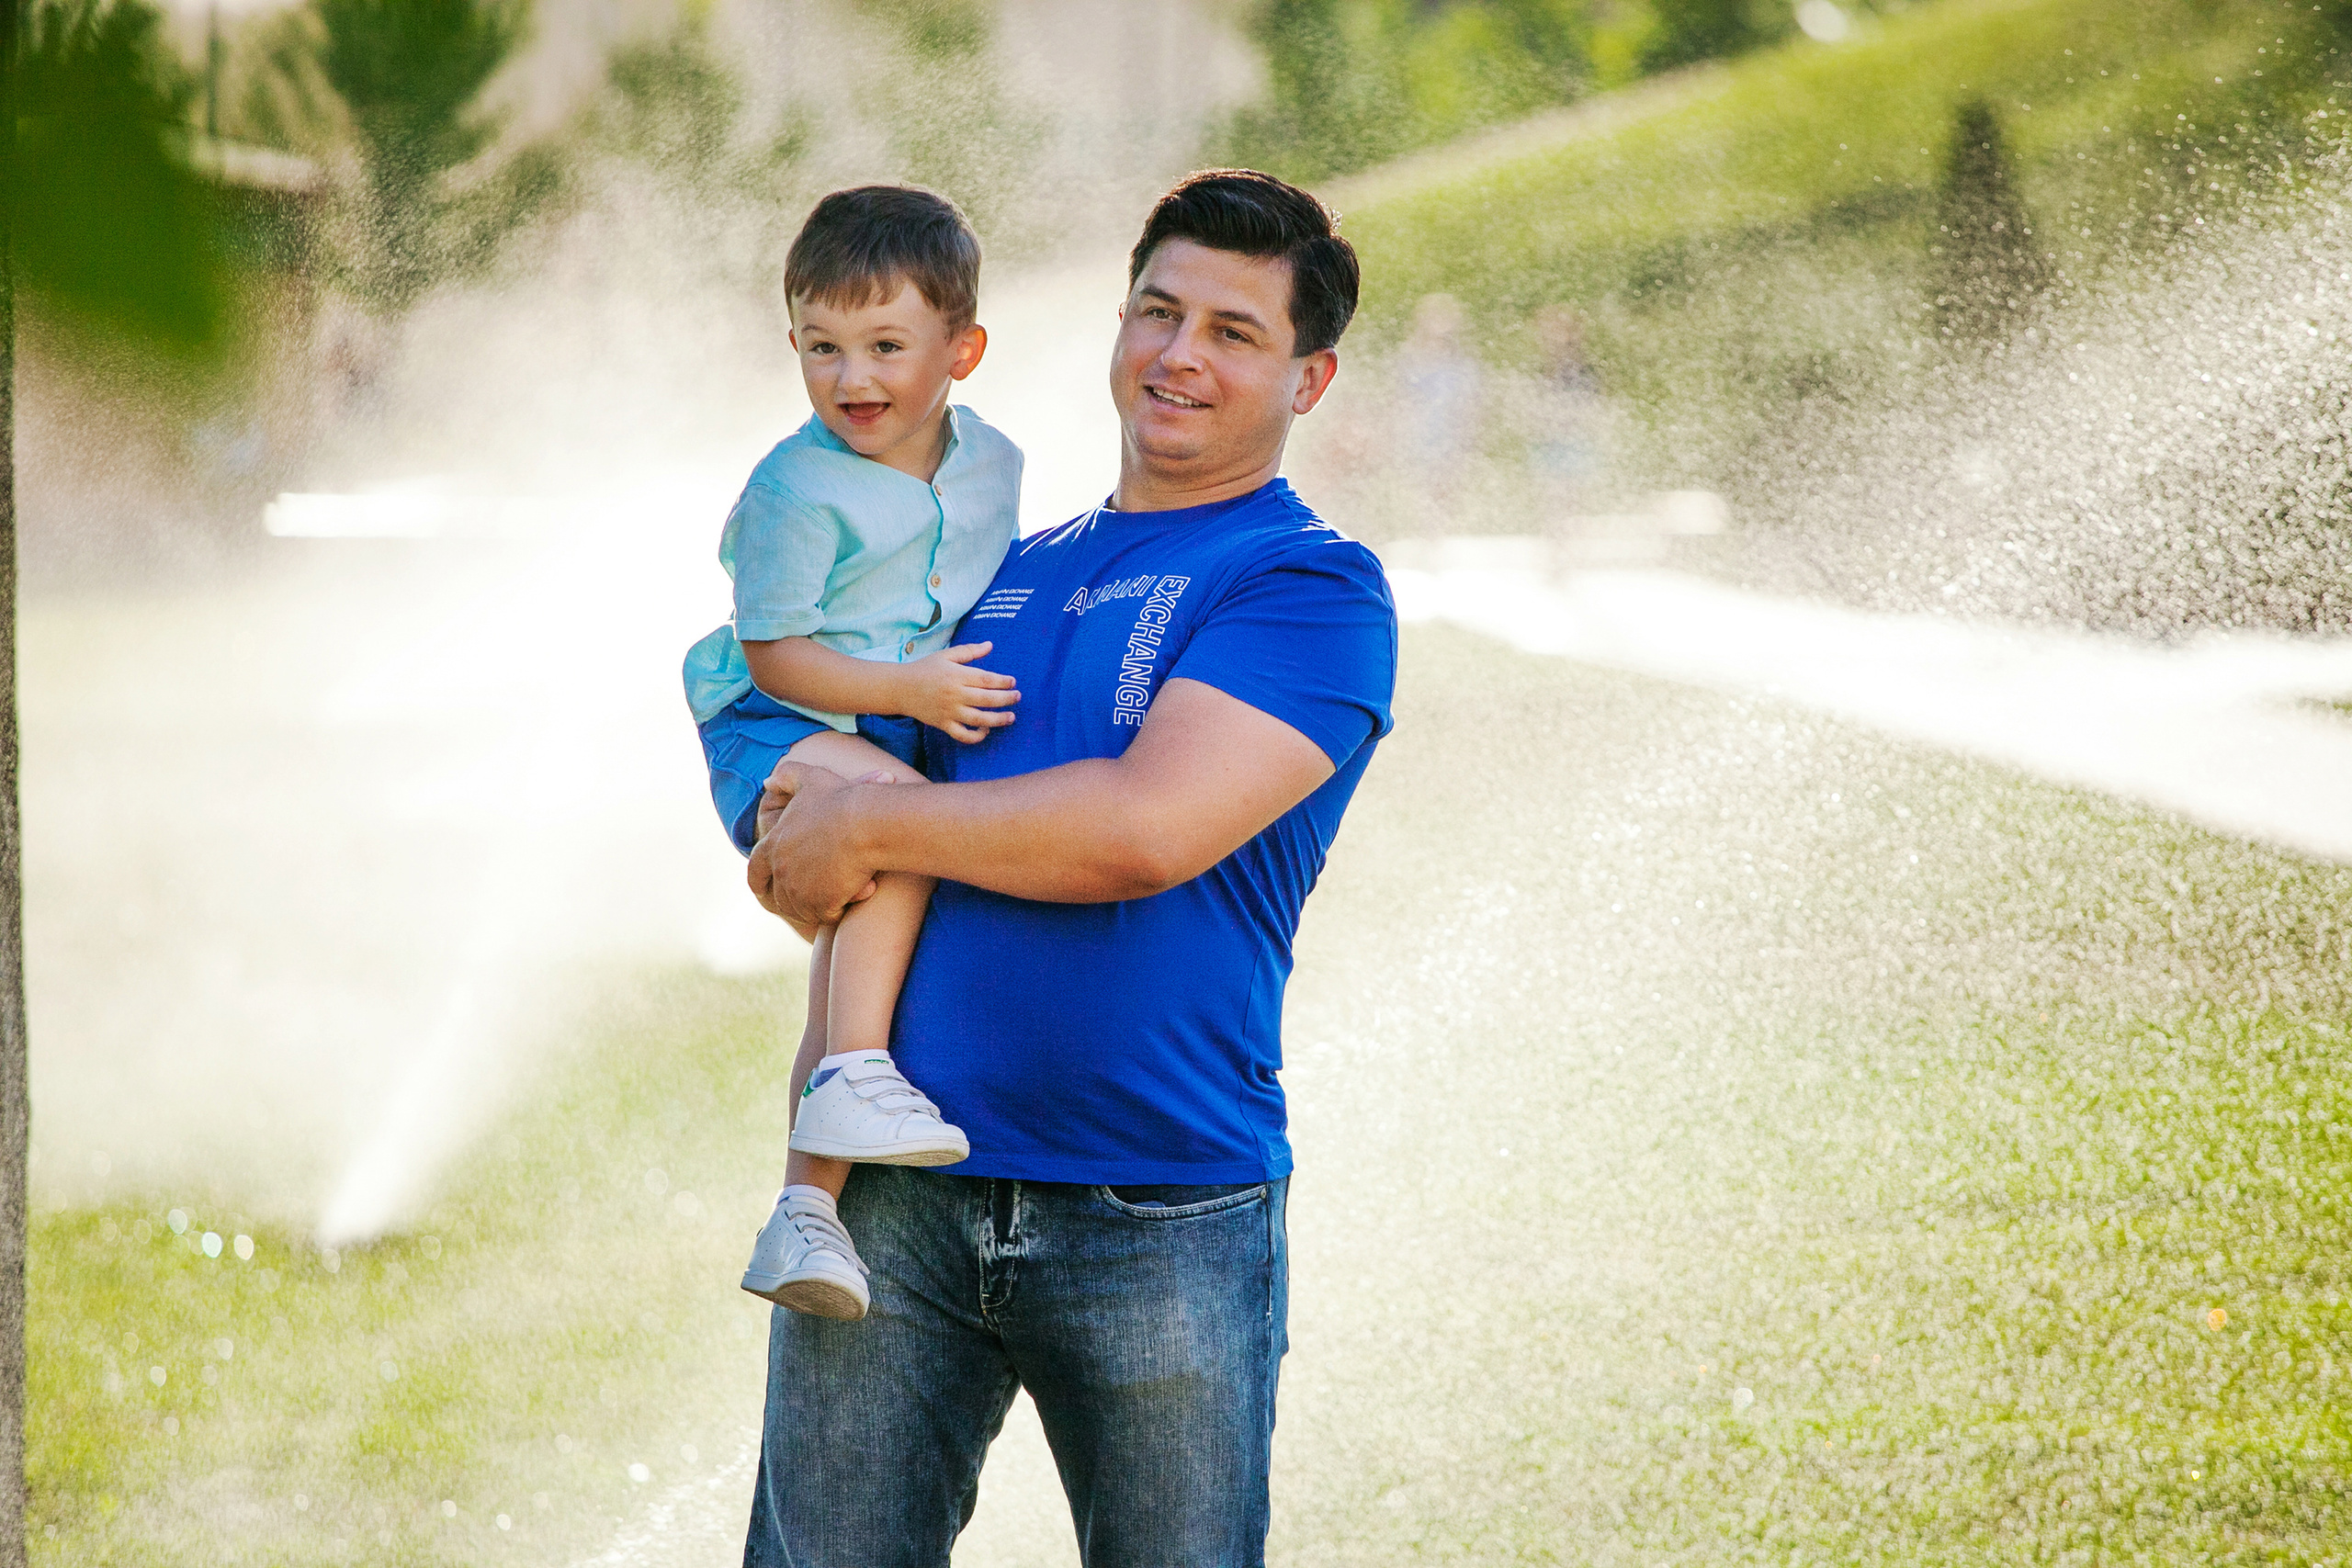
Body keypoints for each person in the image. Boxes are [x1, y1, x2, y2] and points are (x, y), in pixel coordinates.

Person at [737, 170, 1398, 1567]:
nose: (1180, 354)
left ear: (1310, 376)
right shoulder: (1001, 569)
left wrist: (871, 828)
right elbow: (838, 786)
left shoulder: (1307, 585)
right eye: (1158, 311)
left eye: (1233, 330)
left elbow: (1140, 829)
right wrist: (796, 829)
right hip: (896, 1200)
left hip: (1156, 1207)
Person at [681, 185, 1024, 1320]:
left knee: (851, 929)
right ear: (792, 346)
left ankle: (805, 1218)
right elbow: (773, 654)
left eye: (885, 345)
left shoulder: (993, 465)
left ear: (960, 350)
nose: (852, 378)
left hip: (878, 727)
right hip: (778, 722)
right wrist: (910, 690)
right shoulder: (793, 488)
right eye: (821, 348)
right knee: (904, 822)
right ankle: (860, 1076)